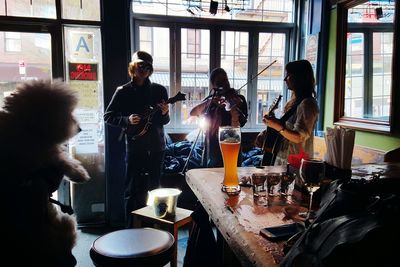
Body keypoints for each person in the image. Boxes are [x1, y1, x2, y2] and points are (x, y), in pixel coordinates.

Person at [104, 51, 170, 227]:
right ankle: (130, 228)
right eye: (141, 66)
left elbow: (164, 121)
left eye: (148, 67)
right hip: (135, 147)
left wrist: (165, 113)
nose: (144, 70)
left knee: (155, 188)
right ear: (133, 67)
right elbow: (108, 116)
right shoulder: (123, 91)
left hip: (157, 147)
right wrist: (126, 120)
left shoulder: (159, 90)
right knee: (132, 190)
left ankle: (155, 228)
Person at [256, 59, 319, 166]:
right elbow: (285, 130)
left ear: (299, 78)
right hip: (285, 159)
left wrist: (277, 126)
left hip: (297, 164)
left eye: (289, 75)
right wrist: (268, 132)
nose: (285, 79)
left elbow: (299, 137)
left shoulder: (308, 104)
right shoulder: (295, 102)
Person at [190, 67, 248, 167]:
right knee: (211, 175)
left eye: (225, 80)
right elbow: (193, 112)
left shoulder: (238, 99)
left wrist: (234, 112)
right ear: (213, 85)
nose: (224, 84)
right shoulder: (210, 100)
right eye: (219, 82)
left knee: (231, 171)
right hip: (212, 144)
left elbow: (242, 122)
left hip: (231, 141)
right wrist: (209, 102)